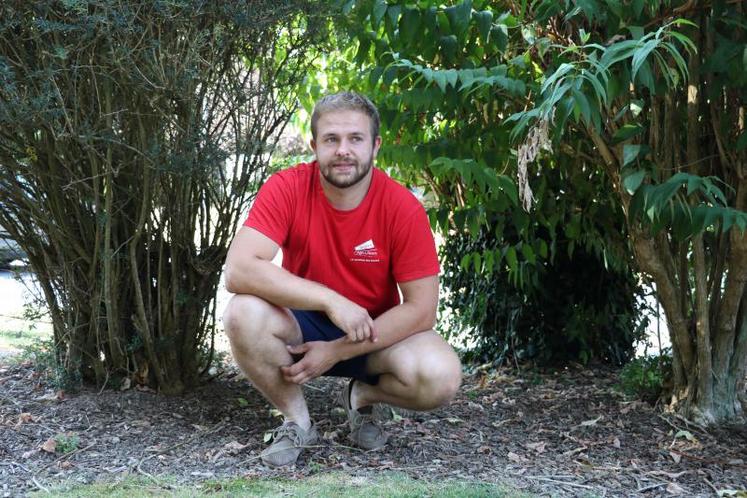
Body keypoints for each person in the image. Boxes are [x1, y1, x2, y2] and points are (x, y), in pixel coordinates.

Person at [222, 92, 462, 468]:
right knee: (241, 313)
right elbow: (238, 269)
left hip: (373, 335)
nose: (343, 150)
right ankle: (296, 421)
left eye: (355, 138)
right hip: (302, 323)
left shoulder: (401, 207)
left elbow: (421, 309)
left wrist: (337, 351)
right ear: (314, 144)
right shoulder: (287, 187)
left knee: (441, 376)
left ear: (375, 145)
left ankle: (362, 397)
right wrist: (332, 300)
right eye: (331, 139)